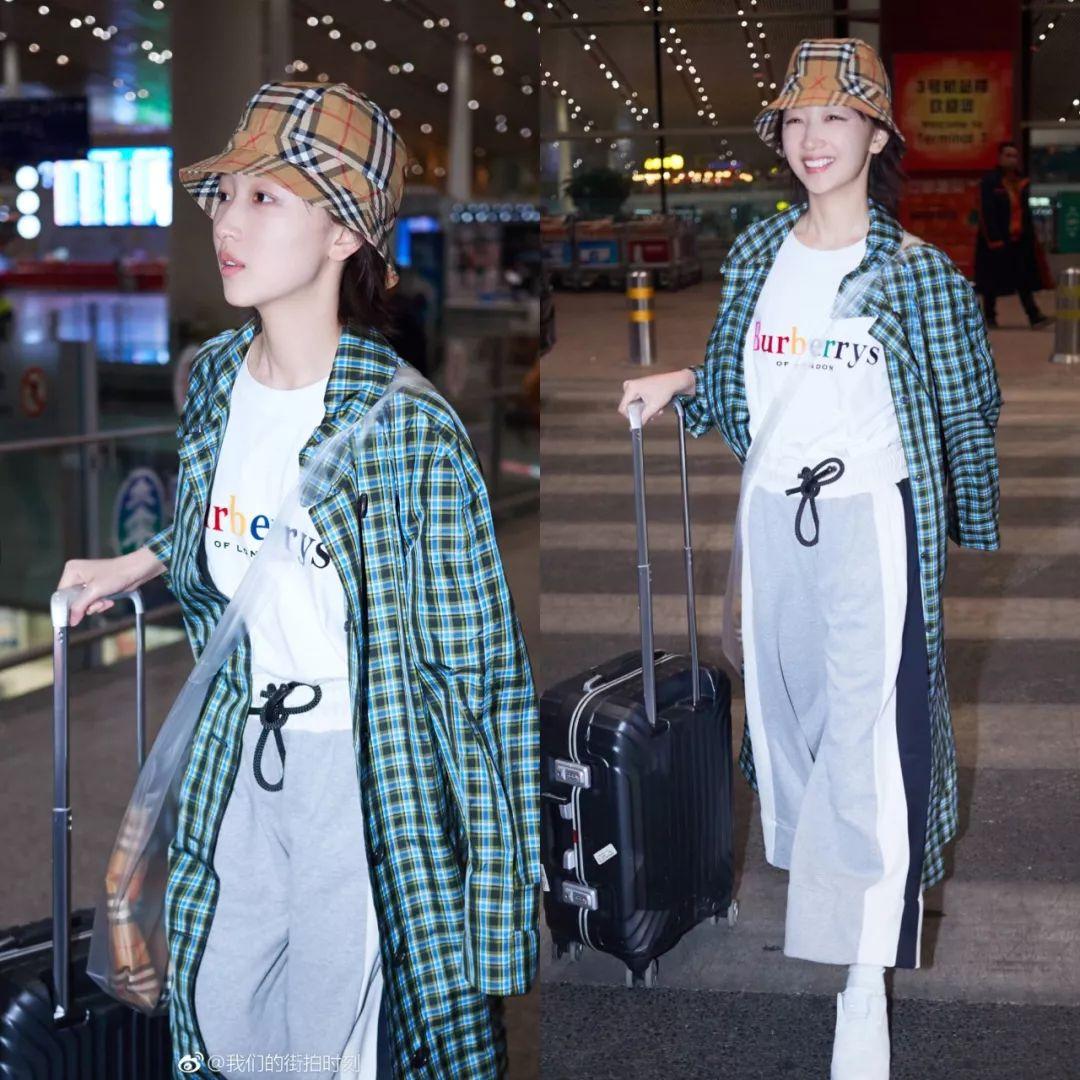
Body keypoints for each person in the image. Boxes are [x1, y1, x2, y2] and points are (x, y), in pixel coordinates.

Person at [56, 81, 539, 1079]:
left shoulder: (406, 431)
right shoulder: (215, 380)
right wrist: (143, 559)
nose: (228, 223)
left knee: (330, 1041)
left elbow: (481, 681)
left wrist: (495, 906)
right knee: (218, 1006)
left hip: (361, 770)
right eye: (226, 195)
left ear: (343, 234)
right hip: (241, 746)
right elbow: (244, 519)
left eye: (266, 198)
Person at [616, 38, 1001, 1080]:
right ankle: (830, 904)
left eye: (836, 117)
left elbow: (969, 404)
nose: (811, 137)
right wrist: (680, 383)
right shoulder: (756, 255)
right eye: (795, 119)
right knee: (790, 727)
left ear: (877, 137)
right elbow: (740, 381)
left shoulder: (916, 274)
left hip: (870, 520)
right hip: (771, 521)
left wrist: (960, 520)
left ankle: (864, 982)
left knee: (870, 745)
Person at [974, 140, 1053, 329]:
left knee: (1023, 277)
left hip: (1018, 239)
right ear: (1000, 157)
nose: (1012, 159)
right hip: (996, 240)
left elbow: (1024, 212)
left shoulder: (1021, 182)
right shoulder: (991, 182)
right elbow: (987, 211)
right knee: (991, 280)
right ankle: (990, 317)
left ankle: (1034, 316)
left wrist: (1031, 237)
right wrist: (994, 239)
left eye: (1015, 156)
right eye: (1008, 155)